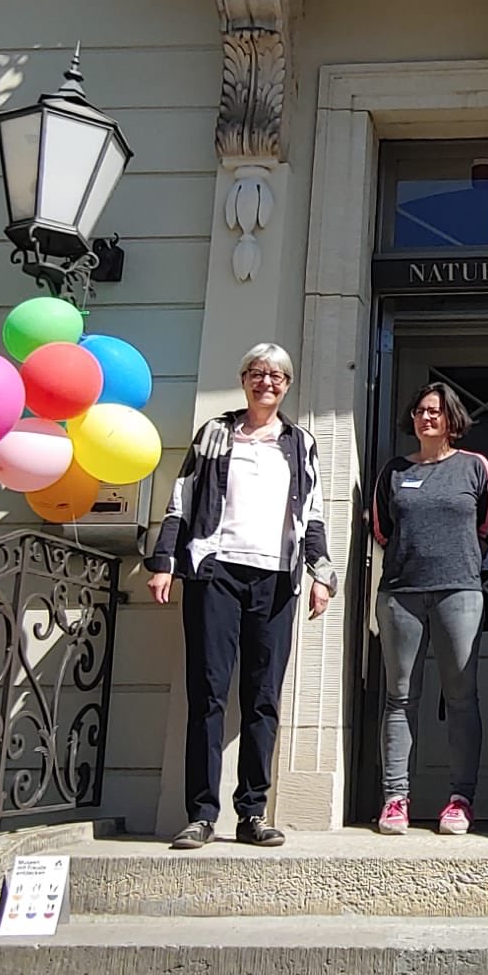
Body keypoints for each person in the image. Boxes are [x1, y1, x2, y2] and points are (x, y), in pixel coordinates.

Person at [147, 342, 337, 849]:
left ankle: (252, 812)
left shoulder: (300, 443)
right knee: (208, 694)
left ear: (287, 385)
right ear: (243, 379)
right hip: (215, 573)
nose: (266, 382)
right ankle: (200, 814)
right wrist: (164, 561)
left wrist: (322, 573)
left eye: (276, 376)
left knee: (263, 699)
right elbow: (181, 499)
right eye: (257, 373)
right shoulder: (215, 433)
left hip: (276, 579)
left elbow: (311, 513)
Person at [370, 381, 488, 835]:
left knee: (462, 697)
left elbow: (486, 526)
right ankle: (395, 799)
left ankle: (460, 800)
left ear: (452, 420)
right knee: (399, 697)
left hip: (459, 592)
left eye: (437, 412)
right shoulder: (394, 471)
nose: (427, 418)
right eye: (422, 410)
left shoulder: (474, 467)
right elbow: (382, 529)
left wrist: (454, 559)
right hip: (401, 593)